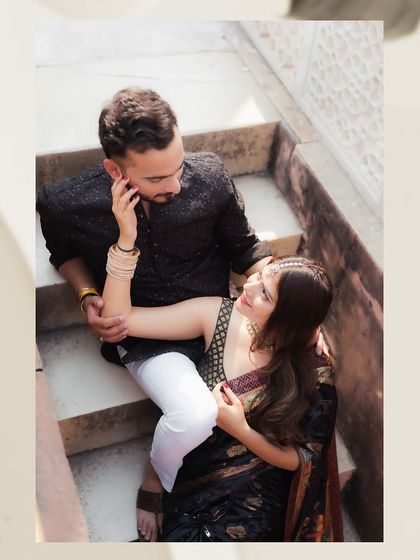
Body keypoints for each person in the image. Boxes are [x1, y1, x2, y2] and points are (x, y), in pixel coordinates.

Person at [37, 87, 324, 541]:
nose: (175, 184)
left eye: (177, 167)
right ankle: (155, 480)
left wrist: (291, 311)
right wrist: (86, 292)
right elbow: (64, 252)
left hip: (218, 319)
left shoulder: (208, 177)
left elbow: (246, 250)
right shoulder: (65, 202)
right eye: (155, 179)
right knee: (192, 415)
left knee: (304, 395)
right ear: (115, 169)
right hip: (150, 332)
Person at [101, 176, 343, 542]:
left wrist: (241, 430)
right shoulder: (218, 315)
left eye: (264, 294)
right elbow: (121, 320)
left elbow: (305, 460)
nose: (247, 288)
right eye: (259, 278)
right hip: (201, 473)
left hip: (263, 484)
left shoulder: (313, 368)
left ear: (288, 319)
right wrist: (125, 243)